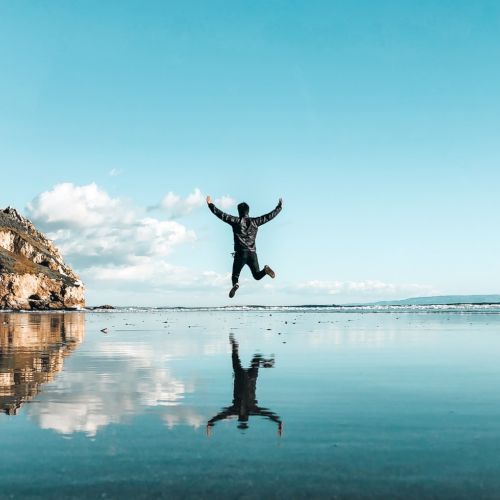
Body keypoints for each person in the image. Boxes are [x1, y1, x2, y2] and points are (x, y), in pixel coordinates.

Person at [206, 334, 283, 436]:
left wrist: (211, 422)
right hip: (248, 378)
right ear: (245, 417)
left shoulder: (242, 410)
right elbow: (266, 413)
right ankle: (238, 348)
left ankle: (236, 347)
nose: (241, 414)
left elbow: (222, 415)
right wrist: (277, 421)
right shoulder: (249, 410)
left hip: (245, 378)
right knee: (254, 358)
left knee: (251, 359)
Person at [206, 196, 283, 298]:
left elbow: (221, 215)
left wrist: (210, 205)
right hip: (252, 253)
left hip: (240, 254)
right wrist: (279, 207)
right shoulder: (256, 221)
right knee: (257, 276)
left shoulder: (235, 221)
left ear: (239, 211)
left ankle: (236, 284)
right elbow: (269, 216)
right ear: (248, 211)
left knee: (235, 276)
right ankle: (265, 270)